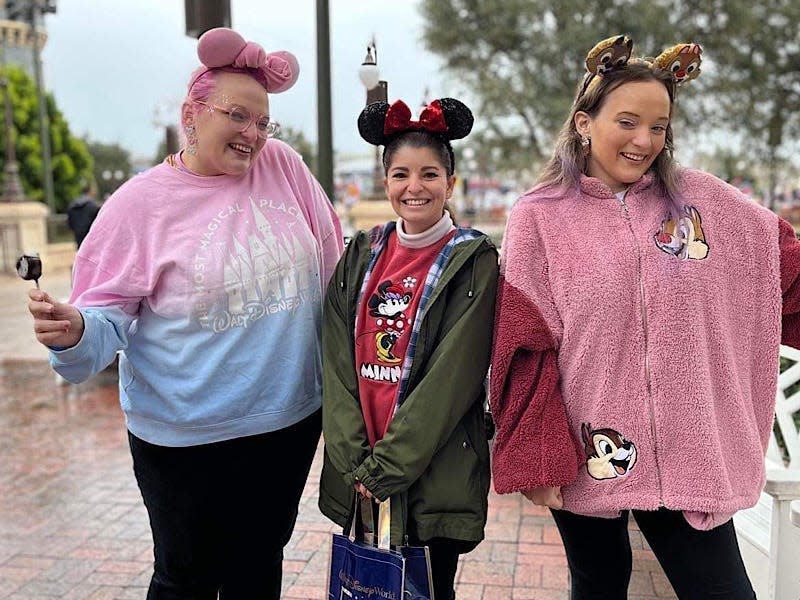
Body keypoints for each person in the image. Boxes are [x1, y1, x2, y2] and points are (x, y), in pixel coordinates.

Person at [26, 27, 342, 599]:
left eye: (264, 122)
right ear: (191, 114)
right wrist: (74, 333)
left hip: (285, 427)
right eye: (238, 116)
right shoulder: (137, 205)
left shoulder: (285, 167)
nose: (254, 135)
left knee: (258, 568)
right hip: (183, 442)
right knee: (185, 581)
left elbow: (332, 266)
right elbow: (102, 324)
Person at [490, 34, 800, 600]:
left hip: (693, 445)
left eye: (658, 127)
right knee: (598, 582)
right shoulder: (538, 217)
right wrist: (536, 453)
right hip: (590, 446)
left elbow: (785, 273)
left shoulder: (708, 204)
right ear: (584, 122)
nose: (644, 141)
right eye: (628, 121)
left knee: (723, 591)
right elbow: (525, 338)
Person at [318, 97, 498, 599]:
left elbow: (454, 376)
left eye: (429, 174)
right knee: (369, 589)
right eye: (400, 174)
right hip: (362, 463)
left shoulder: (473, 261)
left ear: (450, 183)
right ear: (386, 182)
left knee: (430, 588)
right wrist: (355, 457)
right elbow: (334, 359)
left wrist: (387, 469)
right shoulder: (361, 252)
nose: (414, 187)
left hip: (431, 468)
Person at [66, 180, 101, 248]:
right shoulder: (92, 205)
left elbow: (70, 223)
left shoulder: (73, 204)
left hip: (78, 236)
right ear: (91, 190)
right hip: (90, 238)